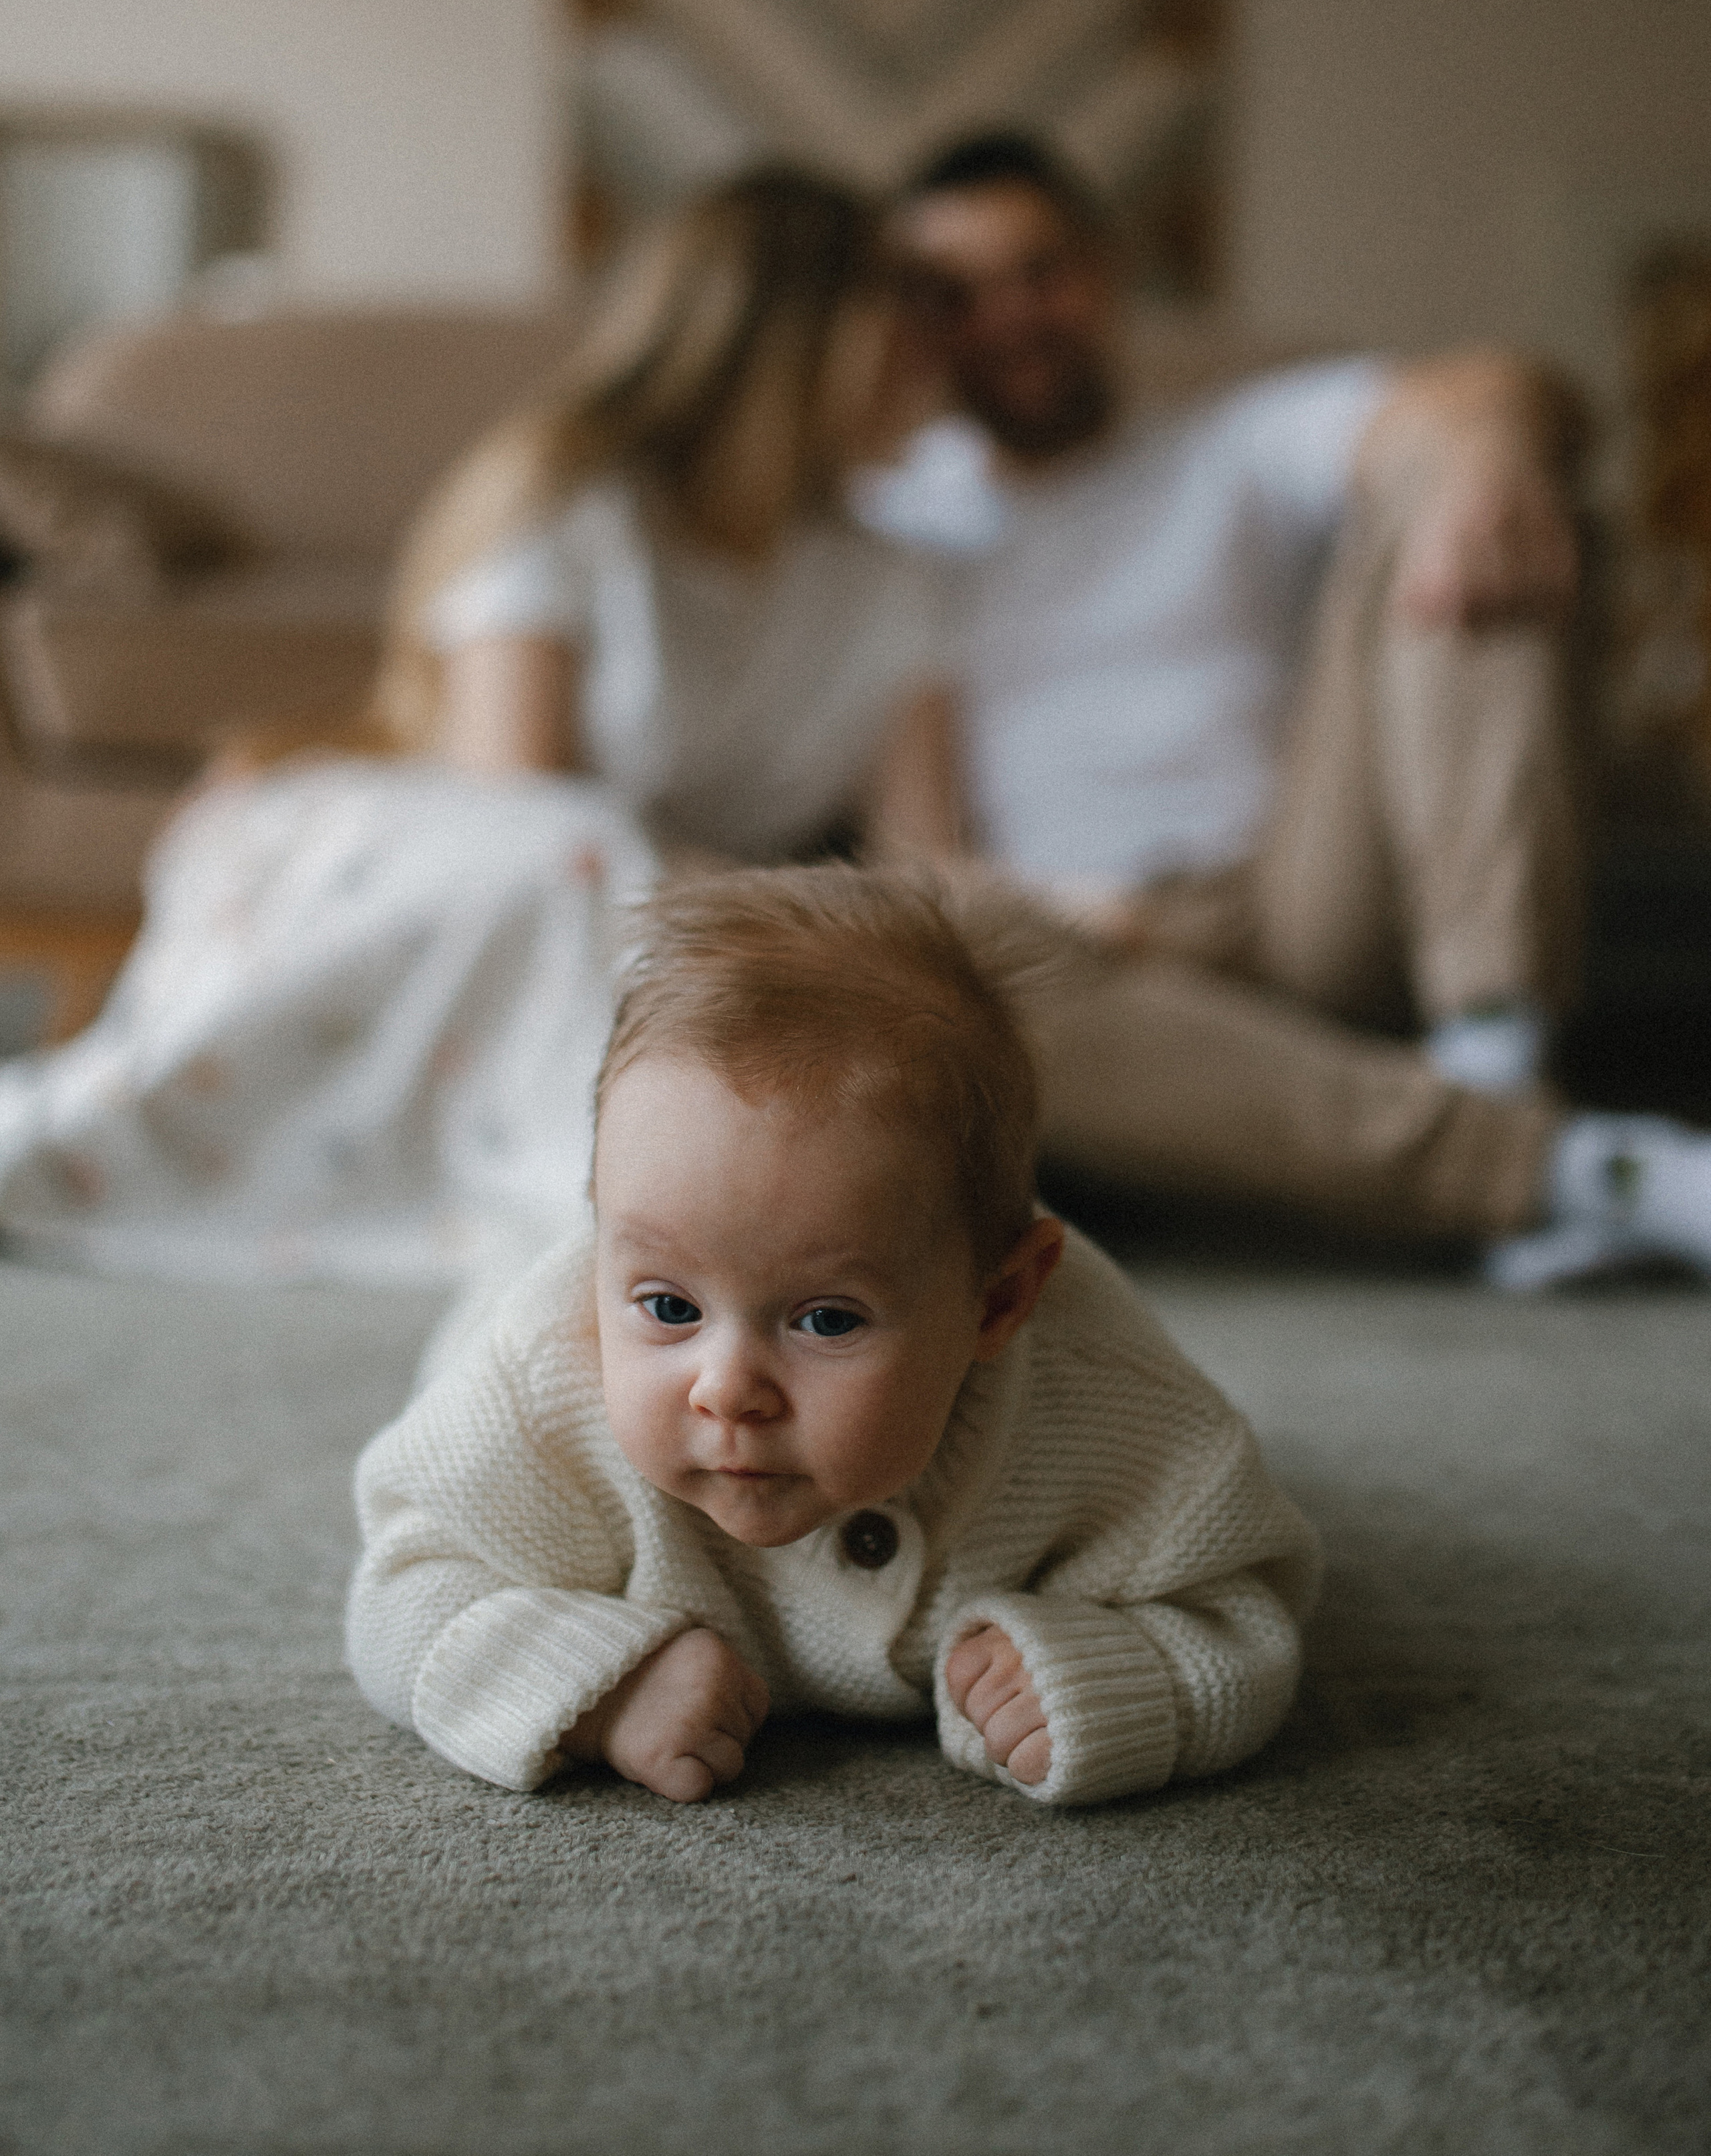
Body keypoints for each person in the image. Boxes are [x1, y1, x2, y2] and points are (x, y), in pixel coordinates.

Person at [0, 170, 956, 1286]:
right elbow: (518, 795)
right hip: (429, 846)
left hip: (659, 899)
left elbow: (923, 859)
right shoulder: (567, 499)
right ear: (816, 336)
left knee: (648, 902)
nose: (945, 364)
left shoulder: (897, 583)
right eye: (914, 318)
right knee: (571, 858)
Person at [859, 130, 1711, 1288]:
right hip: (1083, 947)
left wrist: (1490, 456)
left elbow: (1497, 385)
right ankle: (1538, 1167)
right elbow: (915, 849)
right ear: (910, 326)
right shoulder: (895, 523)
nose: (1009, 317)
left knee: (1475, 507)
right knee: (939, 974)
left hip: (1308, 898)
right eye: (956, 295)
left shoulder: (1233, 441)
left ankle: (1497, 1061)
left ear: (1105, 271)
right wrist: (1061, 908)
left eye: (1040, 272)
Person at [346, 866, 1321, 1806]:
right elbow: (407, 1586)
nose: (726, 1390)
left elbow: (1241, 1611)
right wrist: (594, 1691)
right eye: (672, 1310)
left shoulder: (1112, 1410)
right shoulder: (539, 1390)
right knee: (522, 1292)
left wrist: (1116, 1676)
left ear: (999, 1303)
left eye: (824, 1320)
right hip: (512, 1305)